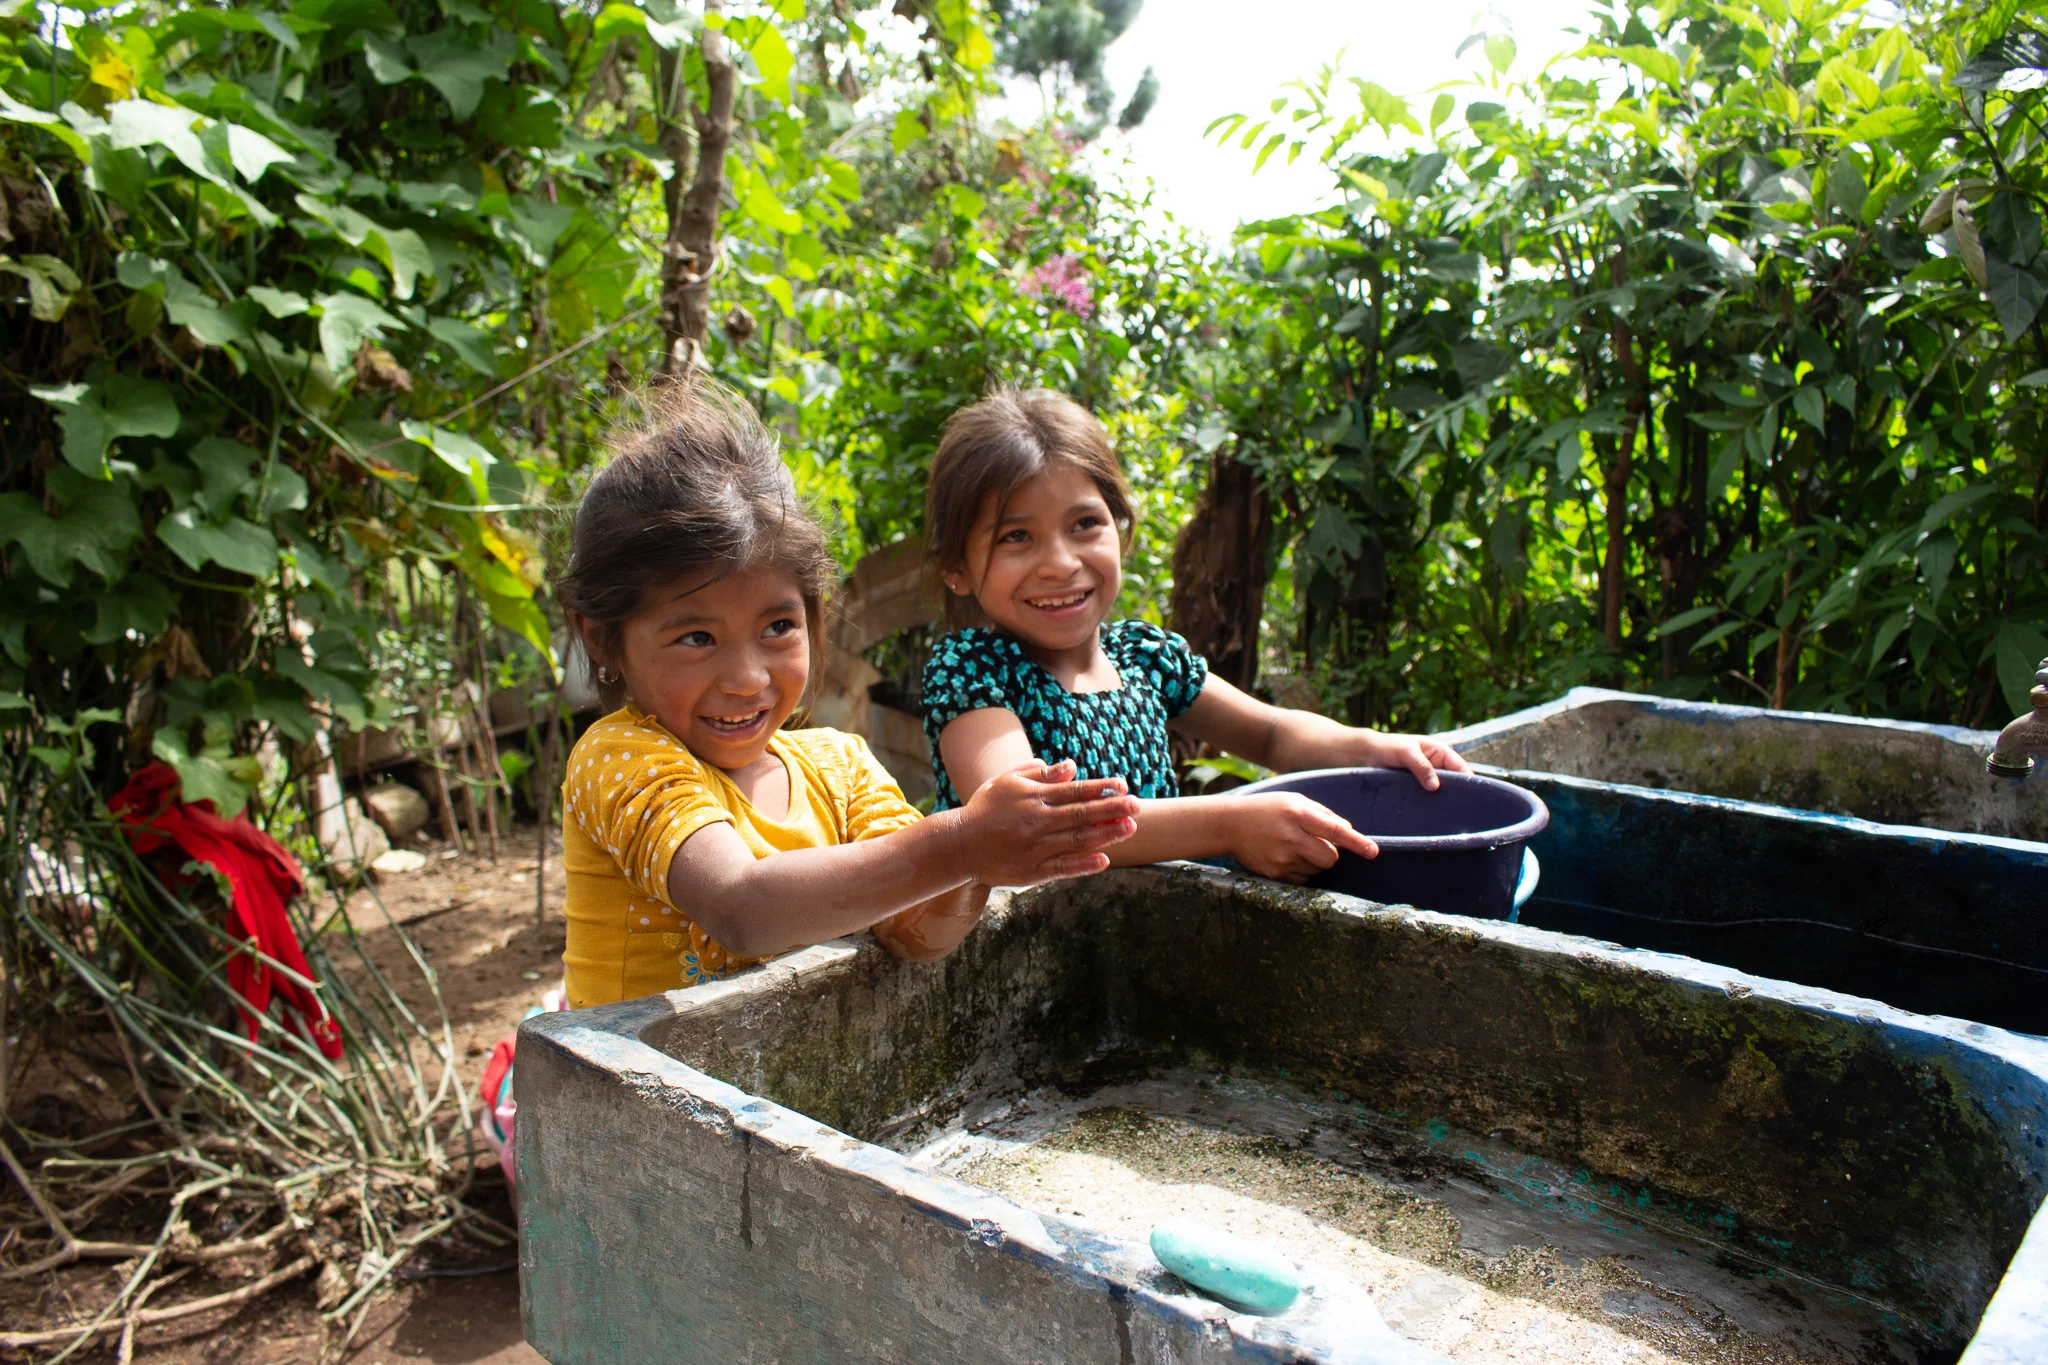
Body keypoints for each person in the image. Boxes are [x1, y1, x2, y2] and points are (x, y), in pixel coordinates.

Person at [554, 384, 1139, 1008]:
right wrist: (964, 840)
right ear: (602, 638)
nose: (747, 678)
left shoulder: (842, 769)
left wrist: (984, 864)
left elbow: (916, 934)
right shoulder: (621, 755)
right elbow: (740, 906)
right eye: (697, 637)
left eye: (778, 628)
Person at [919, 388, 1471, 885]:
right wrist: (1229, 825)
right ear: (956, 568)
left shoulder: (1144, 658)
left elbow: (1273, 734)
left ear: (1120, 526)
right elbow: (1029, 823)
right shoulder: (971, 671)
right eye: (1017, 536)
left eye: (1085, 524)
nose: (1061, 564)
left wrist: (1374, 746)